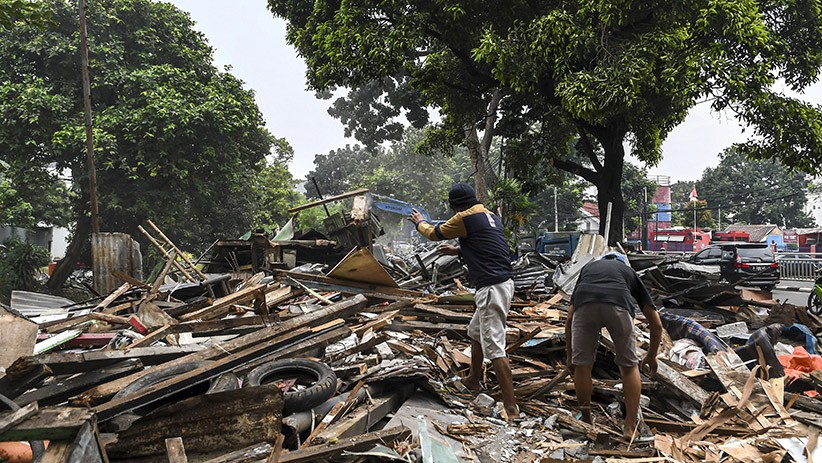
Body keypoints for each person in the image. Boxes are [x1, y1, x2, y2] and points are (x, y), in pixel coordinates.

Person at [408, 182, 519, 420]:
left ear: (455, 206)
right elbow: (488, 246)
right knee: (475, 332)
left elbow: (433, 233)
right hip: (502, 283)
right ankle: (473, 379)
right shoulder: (490, 216)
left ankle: (512, 409)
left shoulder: (464, 217)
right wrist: (458, 251)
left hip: (491, 287)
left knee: (495, 348)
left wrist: (419, 222)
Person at [565, 251, 663, 442]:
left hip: (585, 306)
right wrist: (651, 355)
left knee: (582, 366)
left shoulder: (588, 268)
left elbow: (569, 319)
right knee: (629, 367)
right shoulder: (628, 271)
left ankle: (587, 420)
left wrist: (570, 357)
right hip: (618, 305)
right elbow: (656, 323)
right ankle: (630, 426)